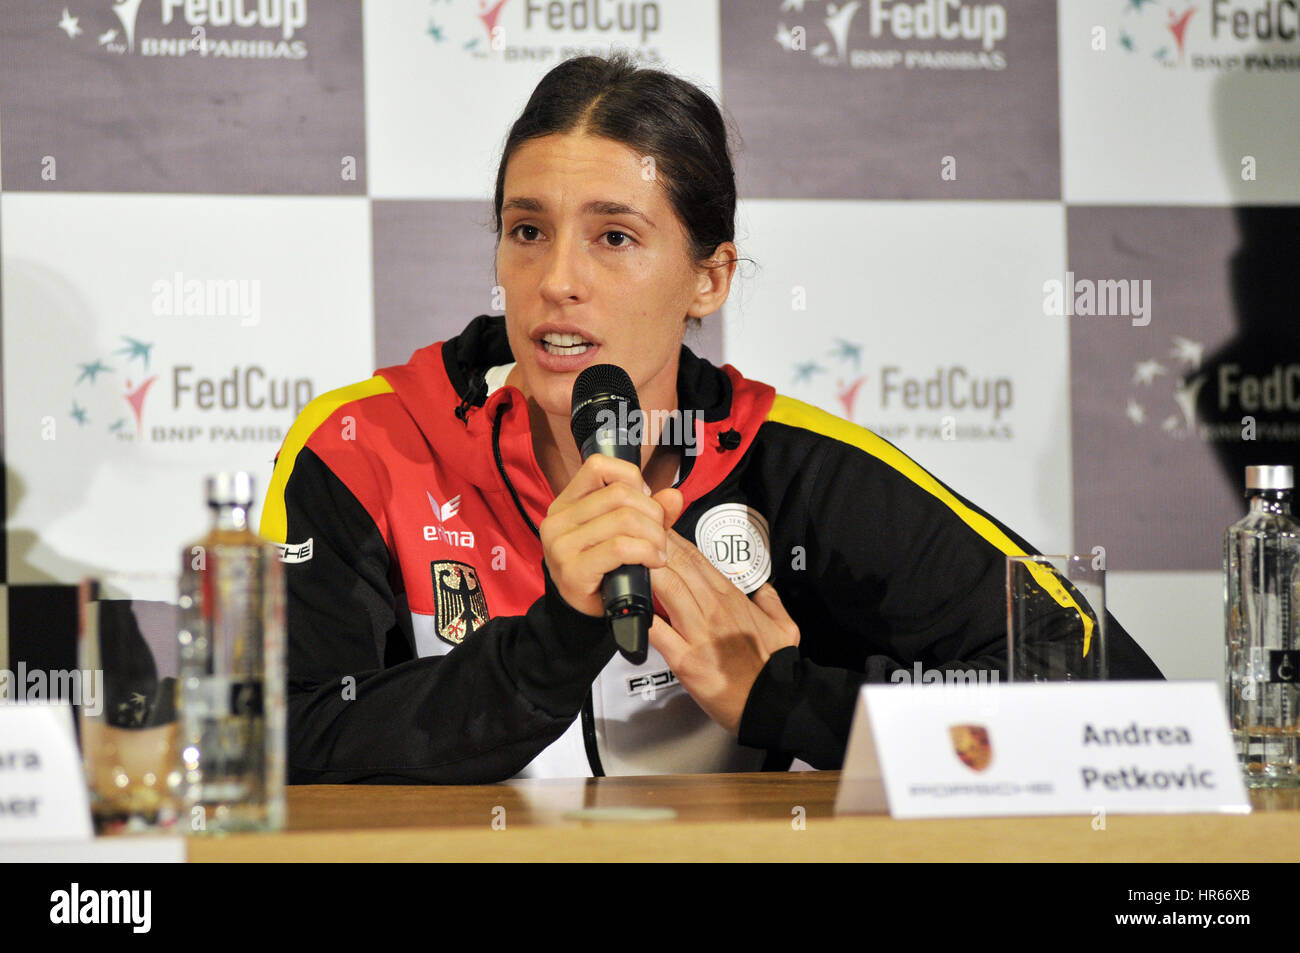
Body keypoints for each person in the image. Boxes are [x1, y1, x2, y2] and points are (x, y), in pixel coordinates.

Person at [259, 52, 1163, 784]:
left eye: (614, 237)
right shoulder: (365, 444)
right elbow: (271, 736)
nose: (556, 280)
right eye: (527, 230)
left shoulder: (797, 467)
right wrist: (553, 642)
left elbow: (1110, 708)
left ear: (710, 277)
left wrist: (788, 699)